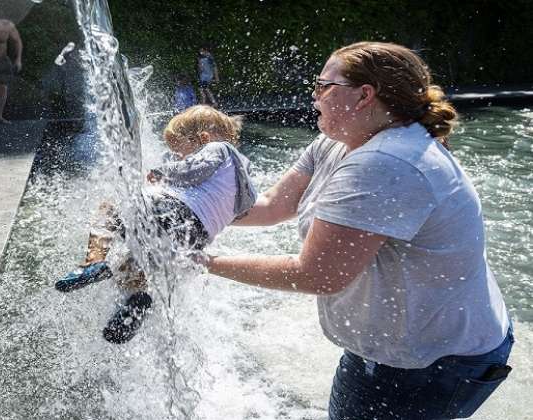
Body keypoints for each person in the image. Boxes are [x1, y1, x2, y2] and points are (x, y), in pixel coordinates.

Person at [200, 41, 512, 419]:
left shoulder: (386, 163)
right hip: (400, 348)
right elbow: (273, 205)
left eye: (323, 86)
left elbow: (316, 274)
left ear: (365, 95)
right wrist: (187, 213)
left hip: (434, 364)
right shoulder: (336, 141)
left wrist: (201, 261)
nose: (313, 96)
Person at [56, 105, 257, 344]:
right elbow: (237, 213)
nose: (180, 159)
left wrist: (162, 173)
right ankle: (138, 300)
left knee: (109, 208)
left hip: (173, 213)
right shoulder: (243, 184)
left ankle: (93, 263)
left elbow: (195, 169)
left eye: (182, 153)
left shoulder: (218, 148)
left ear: (204, 139)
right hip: (194, 239)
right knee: (130, 263)